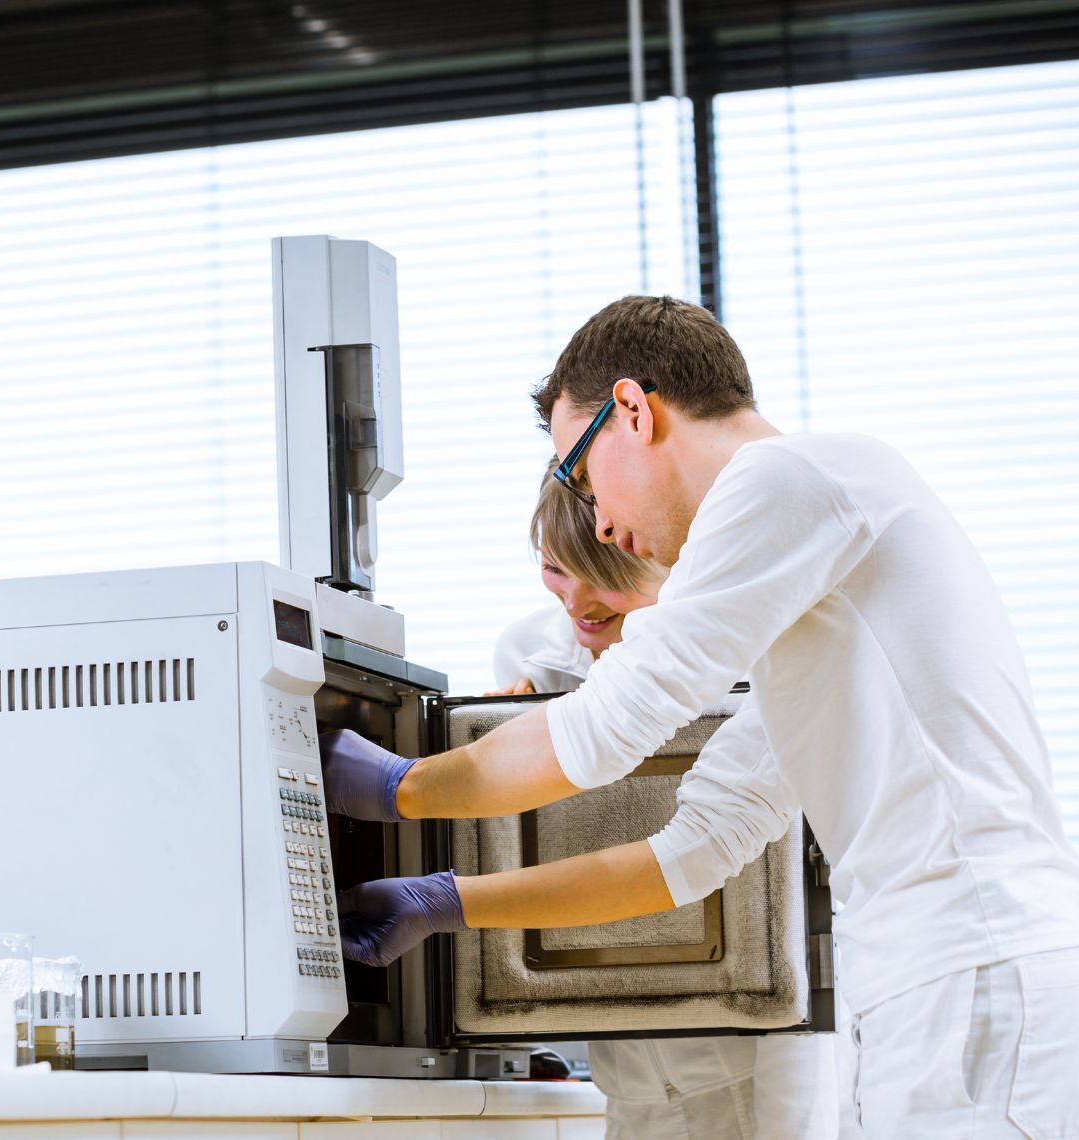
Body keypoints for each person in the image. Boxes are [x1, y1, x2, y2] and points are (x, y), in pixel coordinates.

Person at [323, 296, 1079, 1138]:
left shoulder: (786, 479)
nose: (599, 518)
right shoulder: (811, 614)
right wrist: (450, 901)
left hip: (969, 976)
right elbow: (689, 854)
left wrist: (399, 785)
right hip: (935, 989)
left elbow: (608, 726)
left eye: (578, 472)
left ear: (635, 412)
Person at [486, 463, 841, 1138]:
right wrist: (511, 732)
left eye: (607, 578)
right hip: (626, 1062)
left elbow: (789, 918)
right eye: (556, 570)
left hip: (745, 1059)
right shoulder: (529, 654)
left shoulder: (753, 662)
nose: (577, 603)